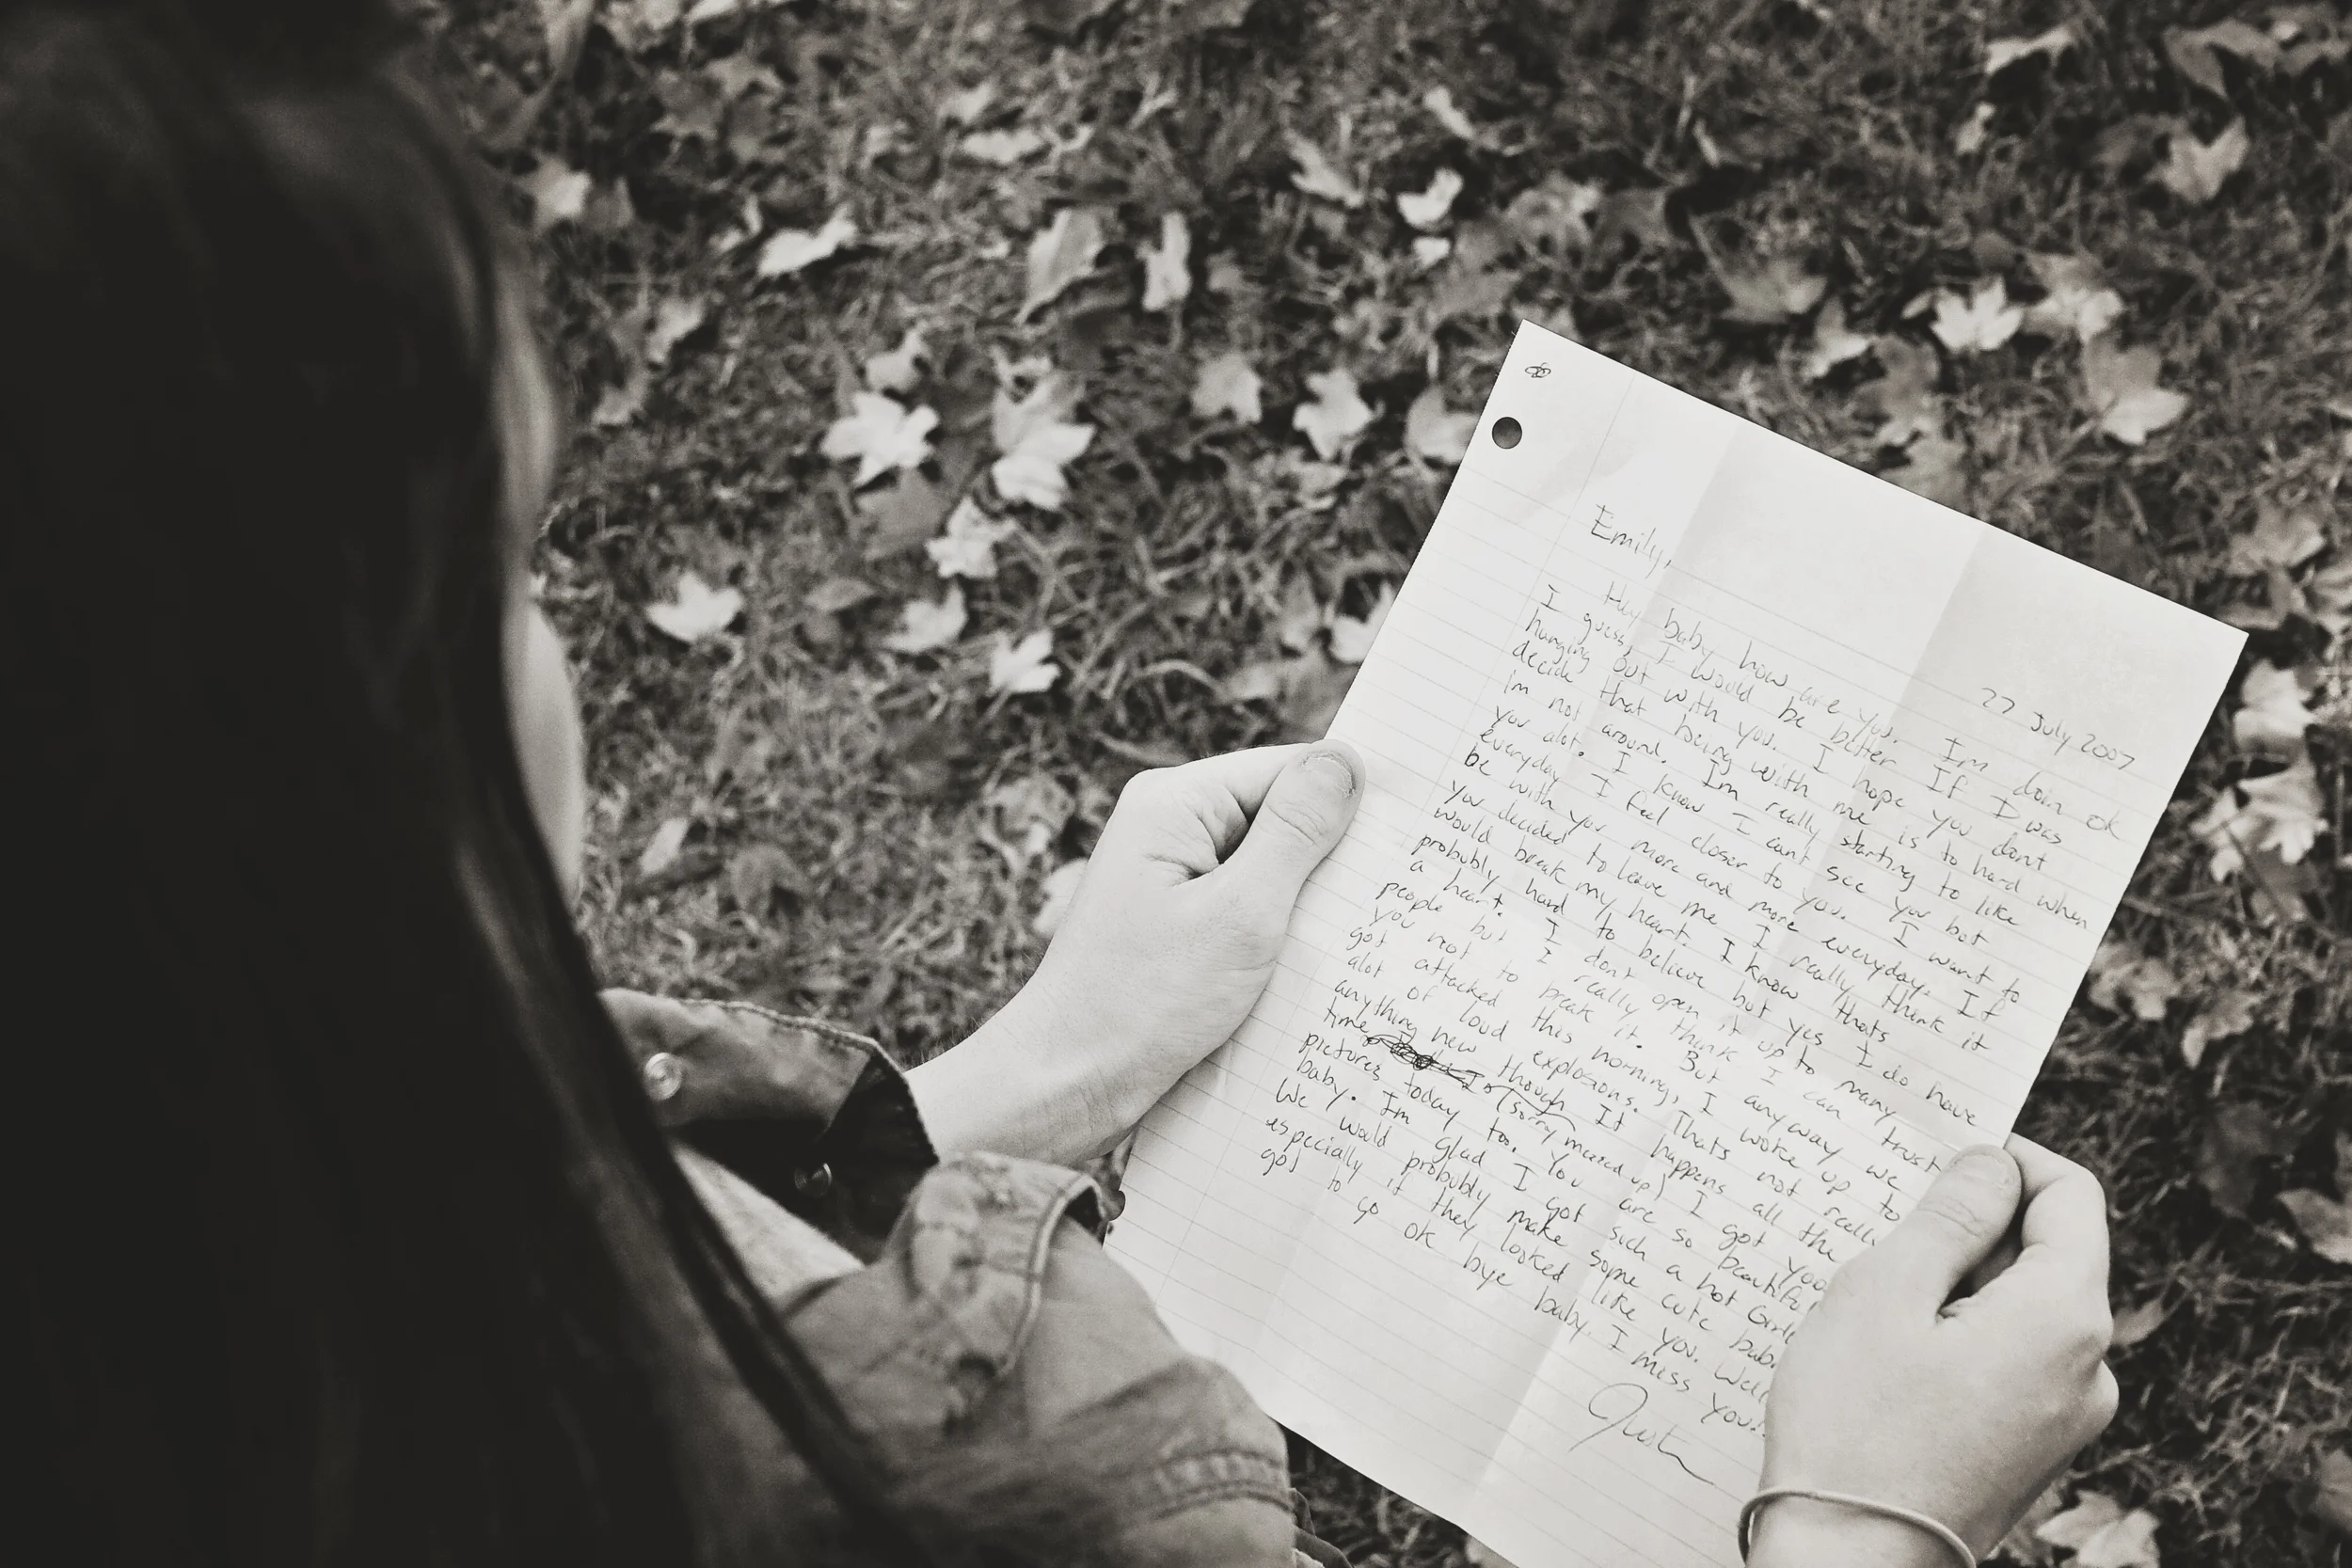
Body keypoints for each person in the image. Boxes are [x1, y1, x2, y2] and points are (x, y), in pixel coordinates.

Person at [3, 4, 2116, 1565]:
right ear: (320, 776)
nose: (550, 652)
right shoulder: (1011, 1483)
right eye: (514, 569)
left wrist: (1029, 1072)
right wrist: (1861, 1524)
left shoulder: (168, 1227)